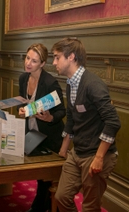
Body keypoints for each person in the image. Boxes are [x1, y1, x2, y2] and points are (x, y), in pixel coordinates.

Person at [52, 38, 121, 212]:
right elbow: (72, 117)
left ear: (71, 57)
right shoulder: (71, 82)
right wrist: (63, 149)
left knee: (90, 207)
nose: (53, 62)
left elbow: (113, 122)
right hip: (78, 152)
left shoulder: (93, 84)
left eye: (56, 57)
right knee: (61, 197)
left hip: (97, 154)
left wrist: (99, 158)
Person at [18, 43, 66, 212]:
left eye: (34, 61)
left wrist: (50, 117)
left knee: (49, 180)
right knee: (40, 177)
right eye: (27, 58)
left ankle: (40, 208)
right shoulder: (23, 78)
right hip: (32, 132)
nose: (29, 63)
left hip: (50, 135)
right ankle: (42, 207)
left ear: (43, 63)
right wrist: (22, 109)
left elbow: (62, 111)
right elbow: (25, 102)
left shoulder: (50, 83)